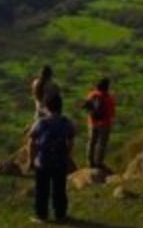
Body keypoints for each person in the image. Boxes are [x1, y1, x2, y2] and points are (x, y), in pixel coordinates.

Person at [28, 94, 75, 224]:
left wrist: (31, 160)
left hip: (42, 162)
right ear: (61, 107)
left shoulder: (41, 122)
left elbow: (31, 142)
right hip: (60, 162)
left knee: (42, 190)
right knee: (59, 190)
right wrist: (68, 156)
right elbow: (71, 140)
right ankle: (60, 214)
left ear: (47, 107)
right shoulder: (66, 122)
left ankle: (41, 215)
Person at [80, 77, 116, 170]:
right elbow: (112, 113)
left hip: (92, 122)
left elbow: (86, 106)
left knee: (91, 142)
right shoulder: (108, 98)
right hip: (104, 124)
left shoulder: (92, 94)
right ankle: (99, 162)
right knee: (102, 144)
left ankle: (90, 162)